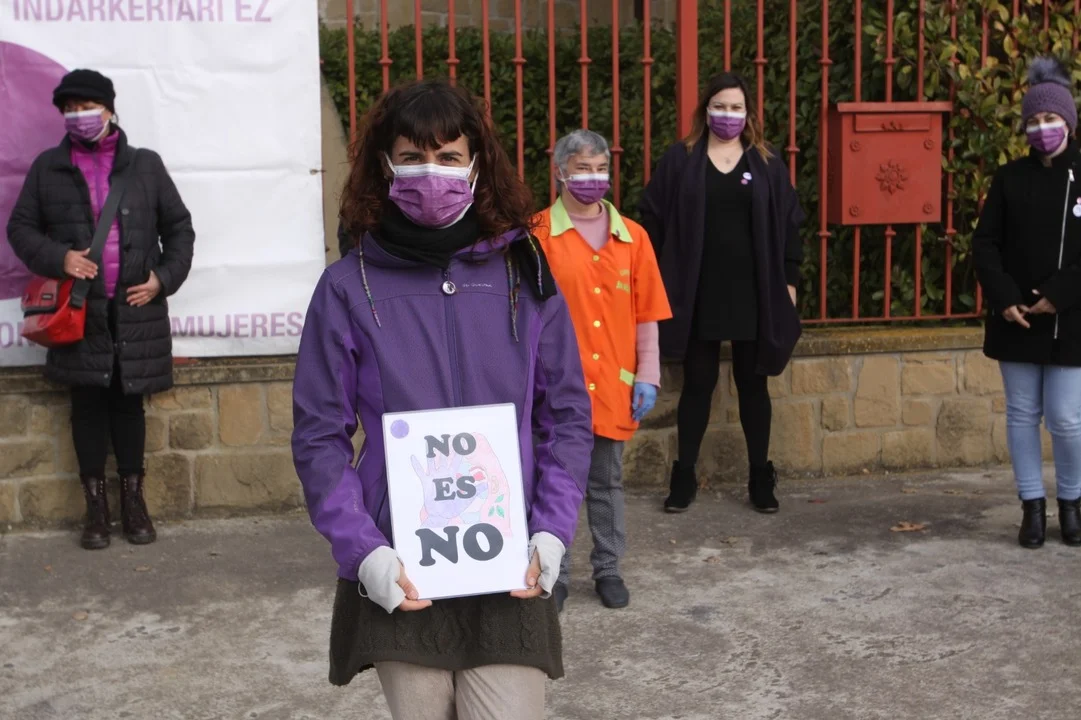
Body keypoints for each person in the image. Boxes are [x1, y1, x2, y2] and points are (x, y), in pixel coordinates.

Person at [290, 79, 592, 719]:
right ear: (385, 165)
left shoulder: (526, 274)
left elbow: (565, 416)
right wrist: (363, 548)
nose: (432, 172)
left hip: (510, 560)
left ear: (477, 164)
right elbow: (318, 435)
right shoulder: (346, 287)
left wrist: (552, 529)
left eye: (449, 156)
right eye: (412, 156)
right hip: (402, 563)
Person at [7, 69, 194, 550]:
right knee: (87, 406)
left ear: (109, 109)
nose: (79, 116)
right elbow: (20, 228)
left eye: (87, 107)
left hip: (134, 310)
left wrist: (161, 279)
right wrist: (60, 258)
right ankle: (96, 512)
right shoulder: (49, 167)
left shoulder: (145, 166)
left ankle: (134, 504)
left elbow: (179, 229)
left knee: (129, 406)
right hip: (78, 311)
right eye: (69, 109)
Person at [639, 72, 804, 515]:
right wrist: (655, 278)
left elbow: (791, 223)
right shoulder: (680, 159)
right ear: (705, 110)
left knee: (754, 384)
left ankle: (761, 477)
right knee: (698, 383)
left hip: (754, 291)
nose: (727, 115)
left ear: (748, 114)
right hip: (697, 290)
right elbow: (652, 218)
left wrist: (789, 282)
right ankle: (684, 476)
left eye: (736, 108)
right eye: (720, 106)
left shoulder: (767, 162)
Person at [532, 129, 671, 612]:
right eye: (582, 169)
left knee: (606, 483)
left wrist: (648, 375)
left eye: (600, 169)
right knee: (554, 481)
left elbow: (647, 314)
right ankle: (554, 570)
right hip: (554, 385)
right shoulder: (537, 235)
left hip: (613, 384)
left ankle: (609, 568)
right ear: (560, 173)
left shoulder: (633, 237)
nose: (593, 178)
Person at [973, 56, 1081, 549]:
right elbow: (985, 244)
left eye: (1051, 118)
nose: (1043, 128)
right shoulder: (1009, 177)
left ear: (1069, 121)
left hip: (1069, 318)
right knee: (1021, 414)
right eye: (1034, 120)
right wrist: (1005, 299)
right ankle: (1032, 506)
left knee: (1066, 418)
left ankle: (1072, 504)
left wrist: (1059, 295)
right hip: (1015, 317)